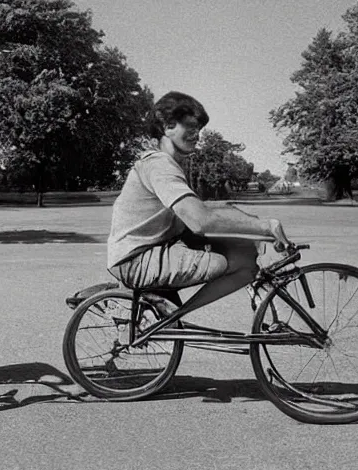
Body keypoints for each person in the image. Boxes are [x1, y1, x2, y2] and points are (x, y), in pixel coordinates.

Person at [106, 91, 290, 314]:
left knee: (245, 256)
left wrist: (256, 231)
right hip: (136, 261)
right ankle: (173, 317)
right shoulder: (160, 166)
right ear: (168, 126)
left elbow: (208, 210)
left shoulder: (168, 164)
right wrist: (264, 226)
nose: (197, 136)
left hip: (150, 251)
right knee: (221, 262)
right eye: (191, 128)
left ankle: (174, 316)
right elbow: (200, 221)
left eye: (199, 130)